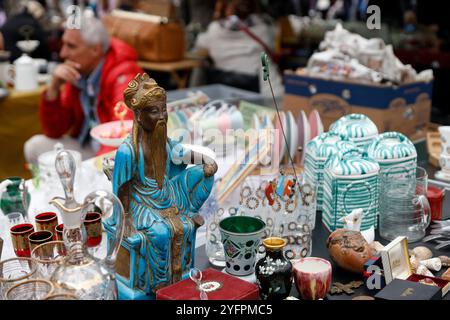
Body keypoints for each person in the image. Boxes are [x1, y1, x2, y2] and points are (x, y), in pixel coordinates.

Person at [109, 73, 217, 298]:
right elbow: (121, 189)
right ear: (139, 115)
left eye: (164, 109)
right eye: (154, 111)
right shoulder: (128, 151)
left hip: (168, 193)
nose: (162, 116)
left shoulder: (163, 141)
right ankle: (158, 283)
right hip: (140, 202)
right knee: (159, 232)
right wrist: (126, 219)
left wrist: (206, 161)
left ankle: (189, 212)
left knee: (203, 175)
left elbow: (183, 155)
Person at [24, 14, 143, 165]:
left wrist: (95, 168)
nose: (63, 53)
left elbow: (124, 136)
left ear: (95, 50)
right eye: (63, 44)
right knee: (34, 146)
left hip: (117, 156)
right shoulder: (80, 72)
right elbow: (54, 130)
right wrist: (53, 87)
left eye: (71, 46)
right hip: (91, 149)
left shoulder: (125, 75)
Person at [192, 0, 283, 97]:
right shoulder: (264, 29)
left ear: (227, 7)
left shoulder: (214, 30)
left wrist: (217, 17)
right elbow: (273, 46)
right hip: (269, 94)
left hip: (229, 96)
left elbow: (199, 44)